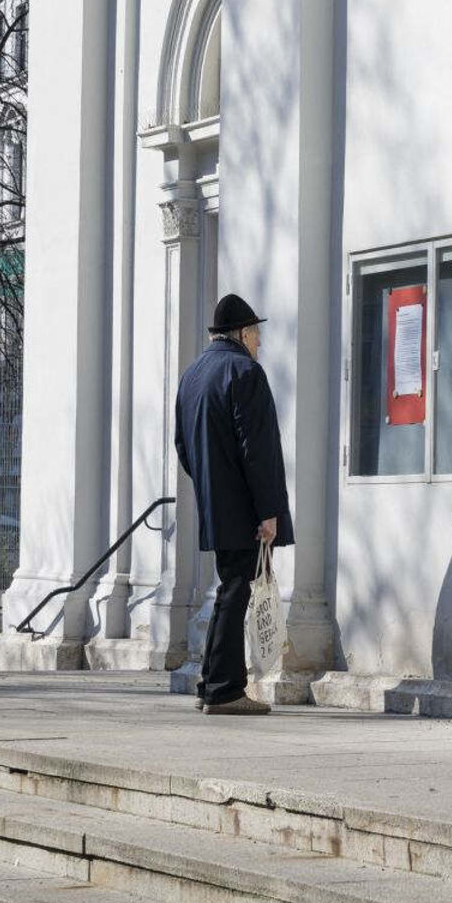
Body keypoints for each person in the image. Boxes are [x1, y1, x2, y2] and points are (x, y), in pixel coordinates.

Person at [174, 293, 295, 715]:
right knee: (236, 589)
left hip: (215, 501)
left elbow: (183, 446)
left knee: (230, 589)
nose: (259, 342)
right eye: (256, 334)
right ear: (242, 333)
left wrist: (212, 484)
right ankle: (225, 690)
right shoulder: (246, 372)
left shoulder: (192, 374)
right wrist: (268, 511)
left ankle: (211, 683)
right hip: (245, 505)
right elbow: (257, 449)